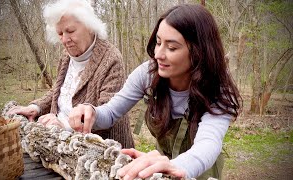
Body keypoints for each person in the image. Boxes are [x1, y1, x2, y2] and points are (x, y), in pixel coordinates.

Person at [68, 4, 242, 180]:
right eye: (158, 42)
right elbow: (112, 112)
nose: (158, 54)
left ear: (199, 52)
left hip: (201, 168)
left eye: (172, 48)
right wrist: (92, 112)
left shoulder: (219, 87)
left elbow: (208, 143)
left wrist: (175, 166)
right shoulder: (148, 74)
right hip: (160, 164)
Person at [7, 0, 134, 148]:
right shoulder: (66, 56)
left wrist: (65, 126)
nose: (65, 40)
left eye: (70, 31)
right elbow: (58, 91)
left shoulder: (111, 59)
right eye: (60, 33)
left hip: (103, 152)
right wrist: (36, 108)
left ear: (90, 26)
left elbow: (107, 113)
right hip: (58, 142)